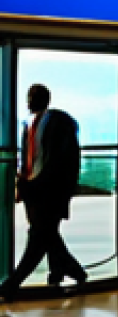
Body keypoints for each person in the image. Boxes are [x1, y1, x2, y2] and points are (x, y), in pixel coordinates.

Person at [1, 84, 87, 302]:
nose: (31, 100)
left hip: (50, 190)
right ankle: (69, 270)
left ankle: (12, 285)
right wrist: (21, 184)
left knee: (39, 237)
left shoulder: (59, 123)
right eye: (29, 96)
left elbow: (63, 160)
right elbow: (26, 158)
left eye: (36, 96)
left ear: (46, 99)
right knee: (47, 235)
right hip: (31, 188)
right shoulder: (27, 126)